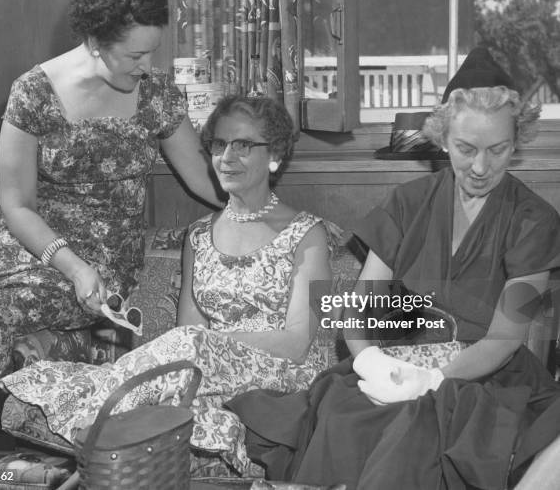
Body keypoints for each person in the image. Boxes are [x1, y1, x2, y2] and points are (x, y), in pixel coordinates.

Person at [226, 49, 560, 489]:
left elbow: (504, 338)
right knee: (343, 417)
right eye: (466, 149)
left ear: (516, 142)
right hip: (397, 363)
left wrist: (432, 379)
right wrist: (371, 361)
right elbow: (359, 313)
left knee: (417, 431)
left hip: (485, 379)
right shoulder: (407, 203)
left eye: (498, 150)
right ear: (442, 137)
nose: (481, 167)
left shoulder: (534, 220)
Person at [0, 0, 221, 484]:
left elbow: (204, 180)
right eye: (136, 55)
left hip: (105, 252)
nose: (148, 66)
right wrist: (70, 266)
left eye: (153, 53)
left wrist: (263, 201)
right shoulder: (34, 91)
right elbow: (16, 204)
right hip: (32, 244)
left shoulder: (157, 95)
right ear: (96, 40)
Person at [0, 95, 334, 477]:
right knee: (187, 411)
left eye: (243, 146)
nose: (227, 157)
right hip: (208, 376)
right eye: (219, 145)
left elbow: (297, 341)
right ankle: (94, 464)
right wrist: (198, 348)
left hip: (283, 376)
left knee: (187, 346)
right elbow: (187, 333)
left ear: (274, 154)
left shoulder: (310, 234)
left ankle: (91, 412)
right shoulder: (199, 236)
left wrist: (207, 344)